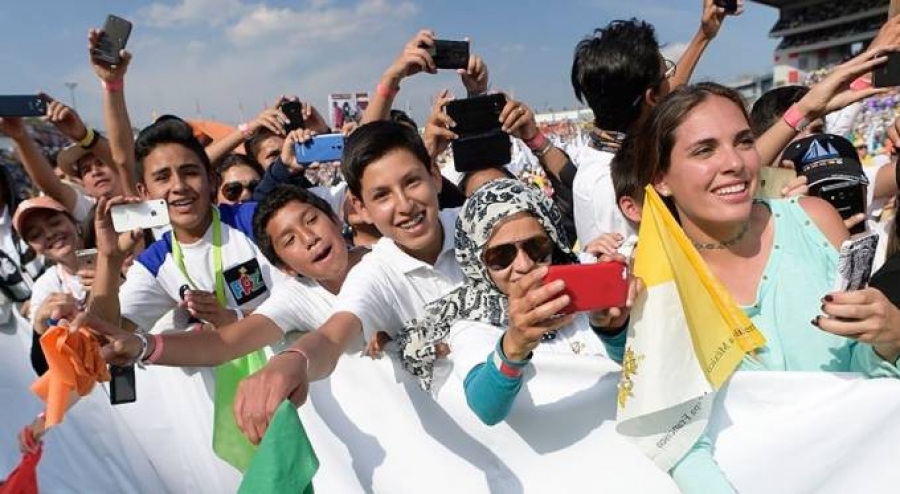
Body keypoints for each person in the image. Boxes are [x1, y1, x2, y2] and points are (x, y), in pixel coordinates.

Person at [629, 81, 900, 493]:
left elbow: (863, 377)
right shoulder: (656, 277)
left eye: (743, 141)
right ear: (660, 178)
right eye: (704, 150)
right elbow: (677, 442)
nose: (734, 162)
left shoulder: (814, 221)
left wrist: (889, 339)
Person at [233, 121, 466, 445]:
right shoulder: (373, 273)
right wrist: (292, 361)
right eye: (382, 195)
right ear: (360, 207)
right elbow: (331, 336)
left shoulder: (485, 223)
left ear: (435, 177)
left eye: (412, 182)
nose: (404, 205)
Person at [396, 179, 632, 424]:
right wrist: (514, 347)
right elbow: (487, 410)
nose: (524, 265)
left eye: (536, 247)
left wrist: (613, 330)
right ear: (478, 263)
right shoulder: (473, 324)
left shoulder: (587, 283)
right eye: (501, 256)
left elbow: (637, 366)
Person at [77, 184, 367, 370]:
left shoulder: (383, 259)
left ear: (335, 218)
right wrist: (144, 346)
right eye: (289, 240)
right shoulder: (295, 298)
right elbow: (222, 344)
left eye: (312, 220)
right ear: (284, 266)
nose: (309, 238)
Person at [570, 0, 739, 247]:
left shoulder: (612, 145)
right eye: (666, 74)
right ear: (652, 97)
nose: (672, 79)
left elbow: (666, 95)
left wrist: (704, 35)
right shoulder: (609, 185)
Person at [12, 196, 93, 375]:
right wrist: (40, 324)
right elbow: (43, 370)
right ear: (32, 248)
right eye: (35, 235)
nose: (49, 234)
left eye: (55, 223)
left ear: (74, 222)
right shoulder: (45, 286)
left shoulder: (113, 255)